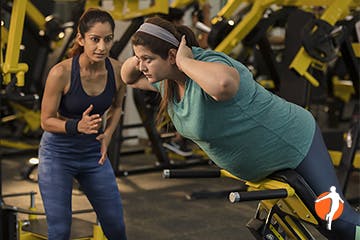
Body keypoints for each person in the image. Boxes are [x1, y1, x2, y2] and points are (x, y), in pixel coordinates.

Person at [120, 16, 360, 239]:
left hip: (294, 143)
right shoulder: (169, 83)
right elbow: (127, 77)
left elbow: (224, 85)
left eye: (147, 60)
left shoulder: (208, 63)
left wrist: (184, 61)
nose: (141, 66)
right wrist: (142, 50)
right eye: (139, 59)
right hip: (266, 167)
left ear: (172, 56)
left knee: (336, 221)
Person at [39, 8, 127, 240]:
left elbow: (118, 106)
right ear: (81, 39)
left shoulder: (117, 70)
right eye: (95, 39)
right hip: (58, 154)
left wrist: (107, 135)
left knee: (116, 227)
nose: (102, 47)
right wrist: (75, 126)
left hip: (93, 153)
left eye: (108, 39)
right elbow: (46, 121)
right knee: (59, 231)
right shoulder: (61, 73)